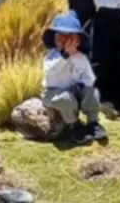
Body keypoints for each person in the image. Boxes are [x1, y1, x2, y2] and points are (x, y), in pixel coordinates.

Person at [41, 10, 107, 144]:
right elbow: (51, 71)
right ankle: (74, 125)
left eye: (69, 38)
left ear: (77, 40)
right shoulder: (52, 56)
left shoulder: (81, 58)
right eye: (60, 38)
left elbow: (89, 78)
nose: (65, 42)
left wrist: (82, 86)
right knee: (66, 99)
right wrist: (65, 55)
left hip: (76, 92)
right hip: (55, 93)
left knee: (93, 92)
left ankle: (93, 122)